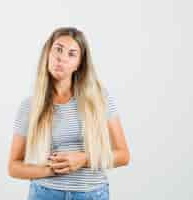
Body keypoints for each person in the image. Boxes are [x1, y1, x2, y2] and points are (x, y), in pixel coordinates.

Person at [8, 27, 130, 200]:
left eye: (71, 54)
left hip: (92, 194)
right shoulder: (29, 106)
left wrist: (84, 160)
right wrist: (53, 169)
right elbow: (13, 167)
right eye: (58, 49)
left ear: (79, 64)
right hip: (45, 194)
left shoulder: (99, 98)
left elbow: (123, 155)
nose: (61, 58)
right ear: (48, 53)